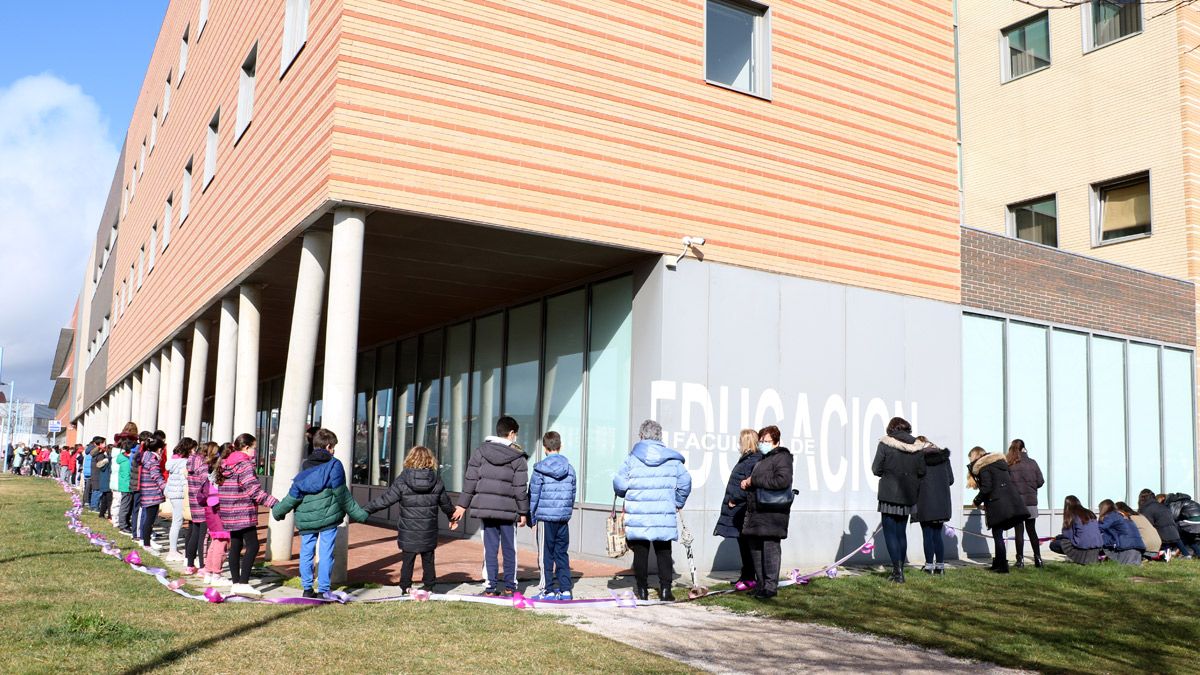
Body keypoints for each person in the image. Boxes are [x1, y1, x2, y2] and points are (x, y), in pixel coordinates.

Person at [272, 428, 370, 598]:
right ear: (329, 446)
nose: (334, 451)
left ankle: (307, 589)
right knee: (326, 553)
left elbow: (293, 496)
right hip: (328, 519)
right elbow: (342, 494)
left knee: (306, 552)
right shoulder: (334, 465)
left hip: (307, 520)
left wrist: (278, 512)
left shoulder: (305, 467)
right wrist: (360, 514)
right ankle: (324, 590)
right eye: (333, 448)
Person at [614, 419, 692, 602]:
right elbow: (685, 482)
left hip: (639, 514)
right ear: (659, 436)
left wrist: (624, 492)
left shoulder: (632, 459)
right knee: (664, 552)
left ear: (641, 435)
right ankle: (666, 591)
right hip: (663, 513)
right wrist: (678, 502)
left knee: (640, 553)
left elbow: (619, 483)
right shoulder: (672, 460)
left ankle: (642, 591)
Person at [363, 445, 458, 595]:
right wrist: (452, 517)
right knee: (428, 559)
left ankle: (405, 587)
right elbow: (445, 503)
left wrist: (365, 510)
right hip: (428, 529)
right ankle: (429, 586)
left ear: (410, 458)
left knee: (408, 560)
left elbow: (386, 500)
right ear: (429, 460)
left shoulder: (403, 480)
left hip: (408, 530)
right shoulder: (436, 480)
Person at [453, 416, 529, 598]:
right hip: (509, 511)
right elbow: (520, 488)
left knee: (490, 548)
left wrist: (462, 505)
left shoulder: (480, 452)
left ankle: (490, 587)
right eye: (515, 434)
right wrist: (523, 512)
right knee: (510, 548)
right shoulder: (518, 457)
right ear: (511, 434)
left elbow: (470, 480)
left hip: (486, 509)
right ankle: (510, 586)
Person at [217, 433, 278, 596]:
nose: (255, 452)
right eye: (254, 448)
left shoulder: (226, 464)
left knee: (235, 545)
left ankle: (236, 582)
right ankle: (243, 582)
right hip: (242, 511)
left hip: (229, 510)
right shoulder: (244, 464)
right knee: (253, 545)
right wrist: (274, 503)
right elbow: (254, 490)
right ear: (246, 447)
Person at [739, 425, 793, 600]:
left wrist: (753, 480)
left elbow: (782, 481)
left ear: (776, 442)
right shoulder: (762, 459)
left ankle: (770, 586)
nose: (762, 444)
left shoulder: (782, 457)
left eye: (766, 441)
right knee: (755, 549)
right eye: (761, 441)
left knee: (770, 550)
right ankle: (761, 585)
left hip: (772, 513)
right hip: (757, 512)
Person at [872, 417, 927, 583]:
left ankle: (897, 573)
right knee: (901, 533)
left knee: (890, 533)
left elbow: (876, 469)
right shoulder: (917, 447)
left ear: (892, 429)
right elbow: (922, 471)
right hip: (908, 494)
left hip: (889, 494)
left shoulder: (885, 444)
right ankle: (900, 570)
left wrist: (888, 474)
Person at [528, 431, 578, 600]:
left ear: (544, 448)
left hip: (545, 518)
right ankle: (565, 590)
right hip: (562, 519)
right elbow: (572, 494)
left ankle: (547, 589)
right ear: (560, 446)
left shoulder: (539, 469)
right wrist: (566, 512)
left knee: (545, 554)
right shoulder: (570, 469)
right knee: (562, 553)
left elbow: (534, 495)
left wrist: (531, 517)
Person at [713, 429, 762, 590]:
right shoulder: (748, 459)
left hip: (742, 508)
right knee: (744, 544)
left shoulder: (752, 460)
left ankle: (749, 577)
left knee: (747, 545)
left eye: (741, 440)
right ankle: (746, 575)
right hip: (739, 508)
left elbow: (749, 484)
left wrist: (735, 498)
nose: (739, 444)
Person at [967, 446, 1028, 573]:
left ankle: (1002, 566)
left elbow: (987, 488)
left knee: (998, 535)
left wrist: (976, 501)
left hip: (997, 505)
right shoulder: (1000, 464)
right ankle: (999, 562)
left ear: (976, 456)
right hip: (1009, 503)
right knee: (998, 534)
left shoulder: (984, 467)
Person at [911, 437, 953, 575]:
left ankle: (929, 565)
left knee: (927, 535)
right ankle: (940, 566)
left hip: (924, 501)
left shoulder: (918, 458)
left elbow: (914, 479)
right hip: (941, 502)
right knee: (937, 535)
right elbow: (951, 480)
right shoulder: (944, 457)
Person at [1005, 440, 1045, 569]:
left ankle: (1020, 560)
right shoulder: (1032, 463)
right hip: (1031, 501)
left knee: (1019, 532)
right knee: (1032, 531)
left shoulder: (1010, 464)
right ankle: (1038, 559)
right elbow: (1040, 481)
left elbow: (1008, 484)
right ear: (1024, 449)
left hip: (1017, 503)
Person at [201, 443, 231, 587]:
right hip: (220, 509)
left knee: (215, 540)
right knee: (222, 542)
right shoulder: (223, 470)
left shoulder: (212, 469)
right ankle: (216, 574)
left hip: (210, 509)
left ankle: (208, 571)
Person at [184, 441, 217, 575]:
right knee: (203, 537)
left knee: (195, 534)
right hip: (203, 504)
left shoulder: (191, 463)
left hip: (194, 502)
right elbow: (207, 484)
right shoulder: (203, 465)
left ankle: (190, 564)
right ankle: (203, 566)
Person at [163, 439, 195, 561]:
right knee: (177, 522)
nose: (194, 451)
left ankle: (173, 549)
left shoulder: (173, 460)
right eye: (193, 448)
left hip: (173, 493)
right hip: (180, 494)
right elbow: (185, 480)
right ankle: (172, 551)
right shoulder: (184, 462)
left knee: (176, 522)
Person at [1049, 495, 1102, 564]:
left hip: (1083, 548)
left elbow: (1068, 536)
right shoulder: (1090, 513)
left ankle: (1077, 557)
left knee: (1053, 544)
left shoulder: (1071, 515)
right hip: (1097, 548)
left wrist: (1058, 538)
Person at [139, 433, 167, 550]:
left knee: (148, 519)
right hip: (152, 494)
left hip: (146, 492)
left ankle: (146, 541)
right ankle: (146, 543)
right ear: (160, 449)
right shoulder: (153, 460)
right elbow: (156, 476)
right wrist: (165, 488)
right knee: (149, 520)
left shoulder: (146, 456)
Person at [1137, 489, 1181, 560]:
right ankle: (1165, 553)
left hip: (1162, 537)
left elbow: (1146, 525)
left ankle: (1159, 555)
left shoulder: (1146, 508)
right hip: (1174, 534)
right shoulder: (1162, 506)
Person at [1097, 499, 1144, 565]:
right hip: (1137, 547)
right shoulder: (1123, 516)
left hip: (1127, 548)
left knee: (1126, 571)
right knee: (1134, 571)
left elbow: (1099, 528)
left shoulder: (1112, 516)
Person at [1162, 492, 1200, 558]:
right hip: (1196, 522)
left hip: (1191, 522)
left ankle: (1185, 554)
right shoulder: (1189, 501)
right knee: (1189, 538)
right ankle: (1198, 553)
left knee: (1174, 532)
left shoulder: (1175, 503)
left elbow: (1172, 517)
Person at [114, 437, 135, 534]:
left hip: (125, 485)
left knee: (127, 506)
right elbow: (128, 474)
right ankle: (123, 525)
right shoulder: (127, 461)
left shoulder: (122, 458)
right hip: (126, 486)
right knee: (125, 506)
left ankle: (126, 522)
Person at [91, 441, 113, 520]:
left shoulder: (104, 459)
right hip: (108, 481)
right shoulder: (110, 460)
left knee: (104, 498)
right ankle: (110, 515)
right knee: (109, 500)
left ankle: (102, 513)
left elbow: (99, 466)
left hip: (103, 481)